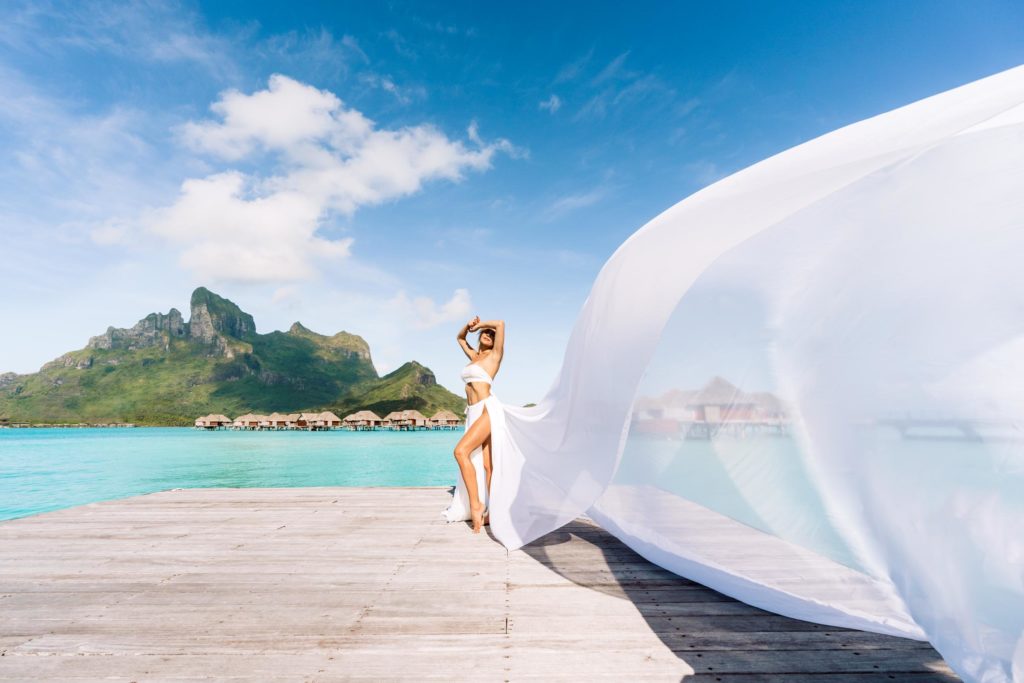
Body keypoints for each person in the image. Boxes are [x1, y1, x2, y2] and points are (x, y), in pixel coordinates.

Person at [443, 315, 505, 533]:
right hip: (473, 412)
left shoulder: (495, 356)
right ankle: (493, 512)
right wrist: (468, 327)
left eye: (491, 334)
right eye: (485, 333)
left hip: (487, 409)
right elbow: (460, 338)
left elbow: (500, 324)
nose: (488, 334)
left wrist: (481, 325)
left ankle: (476, 505)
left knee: (461, 452)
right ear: (479, 337)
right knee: (487, 465)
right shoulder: (474, 356)